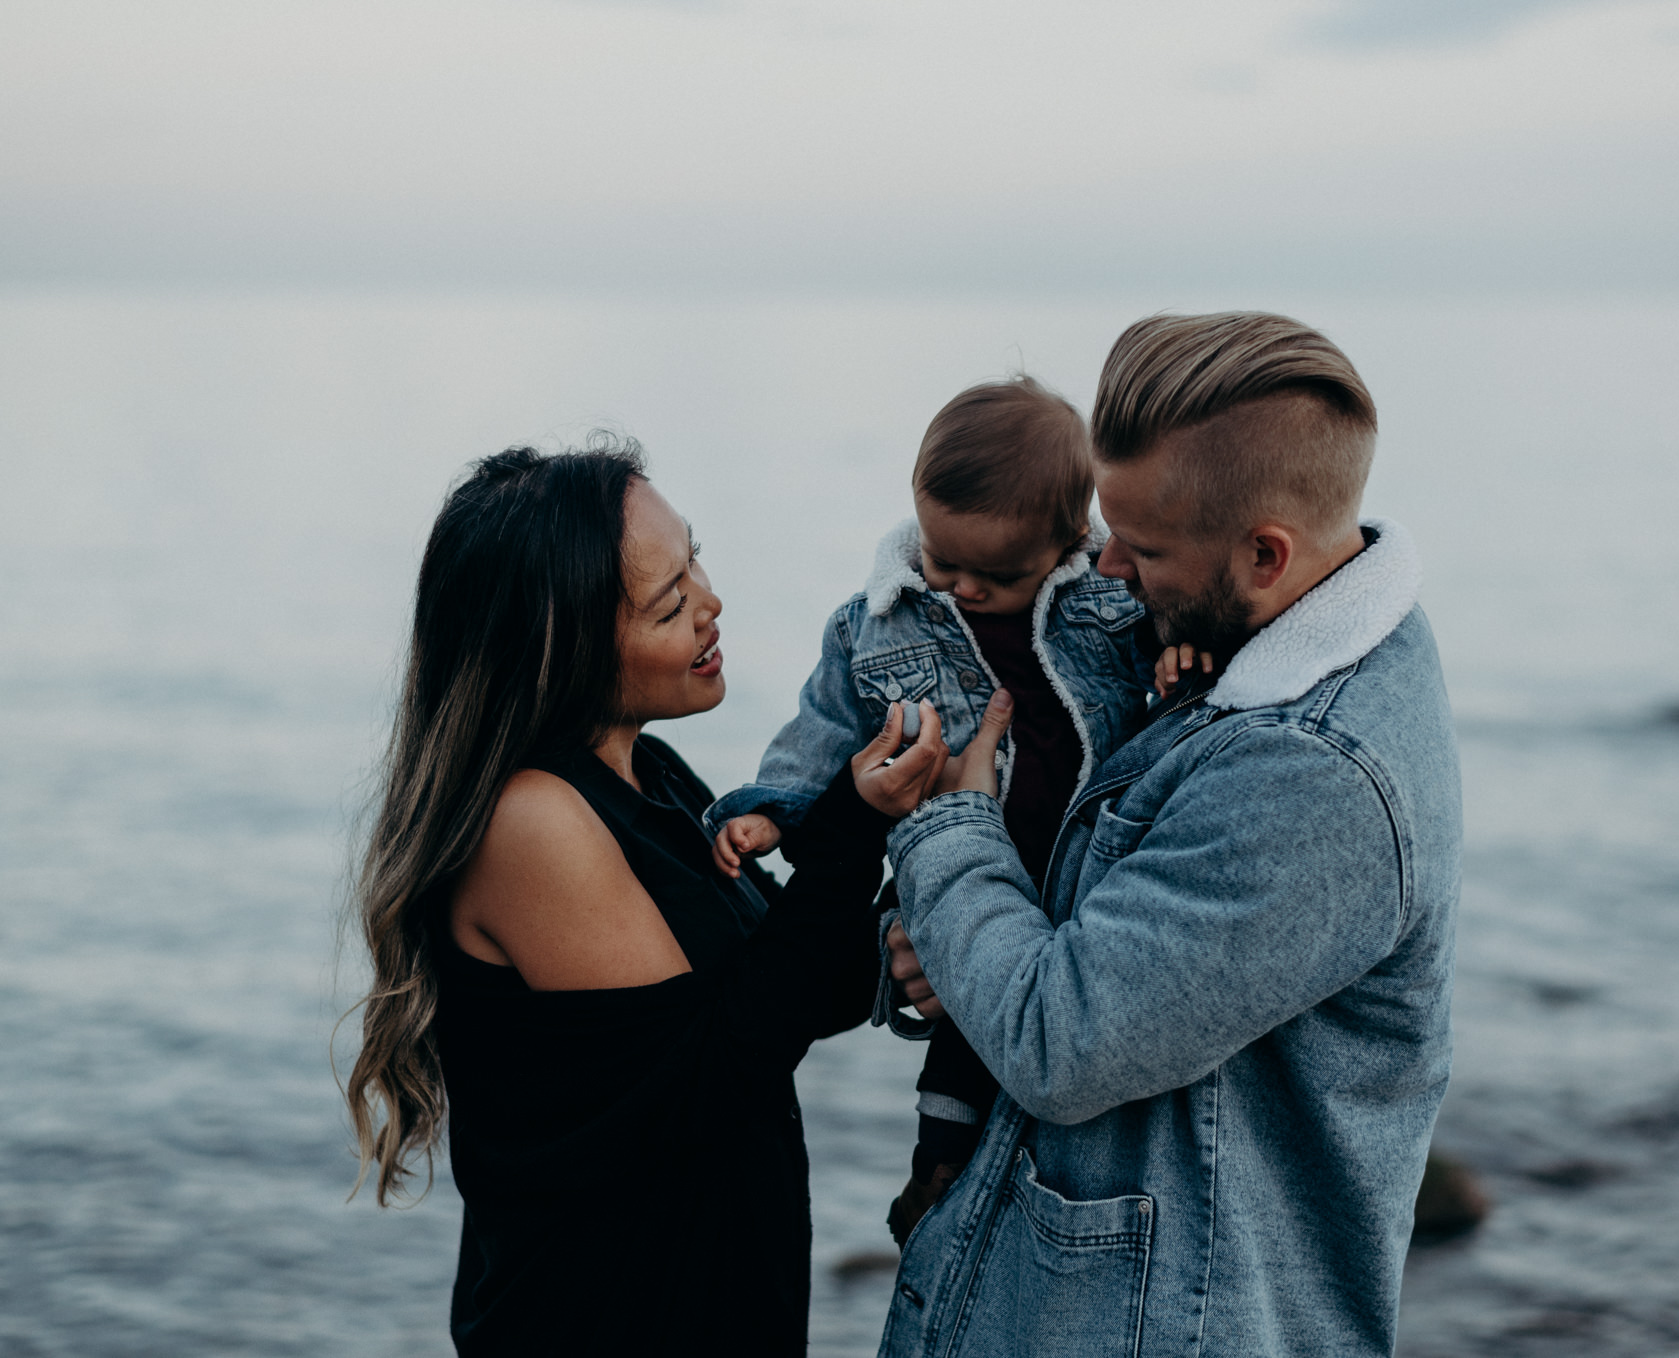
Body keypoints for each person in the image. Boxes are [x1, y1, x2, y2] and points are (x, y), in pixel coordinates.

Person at [878, 313, 1462, 1357]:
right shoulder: (1245, 643)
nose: (1104, 571)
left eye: (1143, 548)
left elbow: (1061, 1037)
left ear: (1266, 553)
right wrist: (964, 945)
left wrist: (944, 830)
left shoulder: (1313, 778)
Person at [341, 438, 951, 1356]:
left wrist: (897, 950)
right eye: (670, 604)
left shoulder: (645, 771)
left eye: (693, 559)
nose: (710, 604)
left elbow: (775, 978)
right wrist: (852, 826)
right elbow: (717, 1061)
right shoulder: (530, 820)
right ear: (564, 648)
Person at [700, 377, 1153, 1243]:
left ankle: (1008, 1192)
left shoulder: (1113, 601)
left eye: (998, 574)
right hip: (951, 864)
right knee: (957, 1023)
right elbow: (826, 729)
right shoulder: (874, 626)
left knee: (1031, 1031)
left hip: (1075, 868)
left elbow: (1165, 668)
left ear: (1067, 540)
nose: (964, 587)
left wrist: (1184, 661)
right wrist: (775, 811)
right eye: (944, 562)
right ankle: (936, 1168)